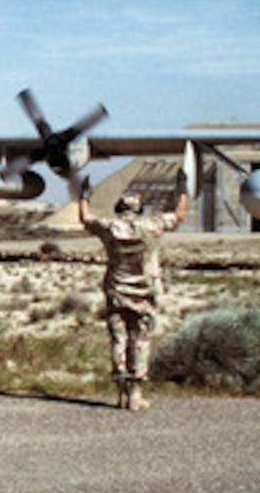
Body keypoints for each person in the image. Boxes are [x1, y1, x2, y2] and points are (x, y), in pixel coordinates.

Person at [79, 172, 188, 411]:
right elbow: (179, 215)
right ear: (140, 209)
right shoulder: (151, 226)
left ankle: (121, 393)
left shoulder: (110, 227)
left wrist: (83, 195)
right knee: (141, 340)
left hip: (117, 289)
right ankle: (136, 393)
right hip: (144, 291)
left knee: (119, 339)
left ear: (119, 208)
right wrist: (183, 190)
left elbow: (85, 218)